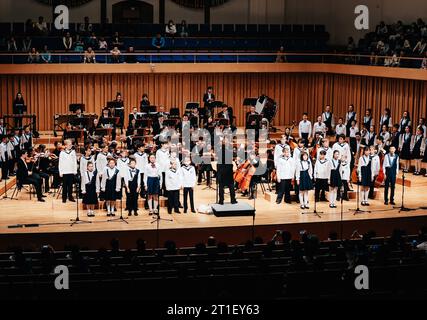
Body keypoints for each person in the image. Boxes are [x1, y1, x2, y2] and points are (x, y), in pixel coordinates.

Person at [217, 140, 237, 205]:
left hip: (222, 171)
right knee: (231, 186)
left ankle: (221, 201)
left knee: (221, 186)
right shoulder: (229, 152)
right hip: (228, 171)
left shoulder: (219, 152)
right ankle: (233, 200)